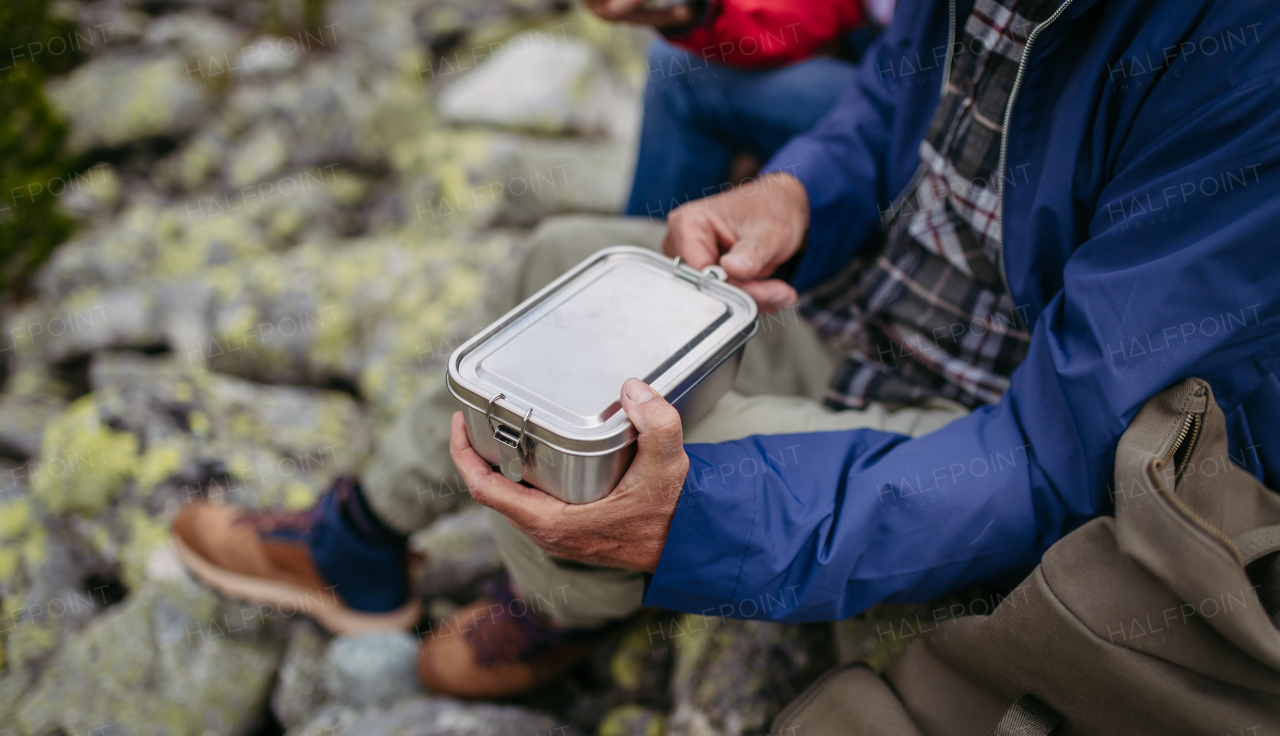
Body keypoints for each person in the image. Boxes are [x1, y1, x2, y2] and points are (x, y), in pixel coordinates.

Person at [173, 0, 1280, 700]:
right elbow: (883, 111)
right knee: (553, 263)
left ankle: (570, 598)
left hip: (979, 432)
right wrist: (800, 190)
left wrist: (692, 521)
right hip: (869, 316)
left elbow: (1065, 461)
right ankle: (360, 540)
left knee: (589, 452)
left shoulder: (1244, 66)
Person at [581, 0, 879, 220]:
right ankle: (655, 251)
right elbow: (817, 11)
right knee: (678, 61)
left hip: (906, 103)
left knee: (681, 76)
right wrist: (702, 13)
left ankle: (652, 266)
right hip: (869, 68)